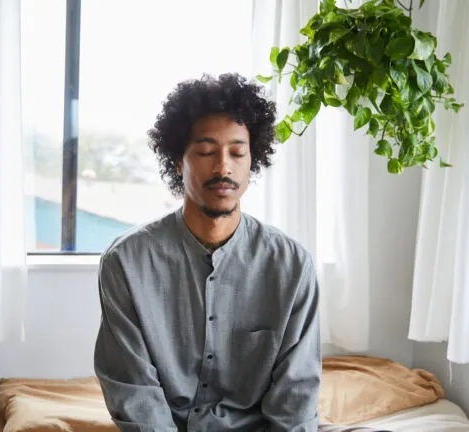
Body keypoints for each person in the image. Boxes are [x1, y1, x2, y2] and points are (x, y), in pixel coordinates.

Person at [94, 73, 321, 431]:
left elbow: (296, 397)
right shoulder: (126, 262)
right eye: (205, 152)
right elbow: (134, 391)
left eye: (237, 152)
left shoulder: (292, 266)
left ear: (253, 161)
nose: (223, 167)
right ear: (177, 161)